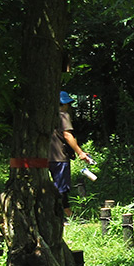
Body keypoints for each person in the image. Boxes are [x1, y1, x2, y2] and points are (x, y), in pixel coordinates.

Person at [49, 91, 94, 220]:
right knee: (61, 188)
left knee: (52, 186)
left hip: (45, 156)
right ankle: (61, 216)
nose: (68, 107)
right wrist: (80, 153)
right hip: (59, 157)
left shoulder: (46, 117)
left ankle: (63, 214)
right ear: (63, 104)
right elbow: (68, 135)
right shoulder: (63, 115)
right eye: (67, 104)